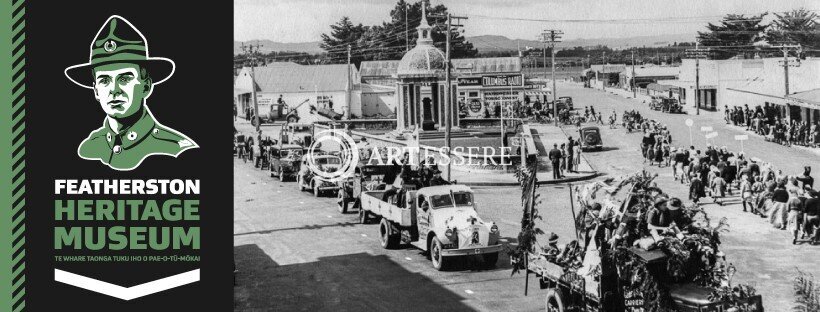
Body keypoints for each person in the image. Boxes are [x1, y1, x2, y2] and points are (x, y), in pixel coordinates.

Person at [65, 16, 198, 171]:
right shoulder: (89, 149)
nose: (114, 90)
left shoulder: (176, 151)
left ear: (146, 87)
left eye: (124, 79)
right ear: (96, 91)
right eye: (104, 80)